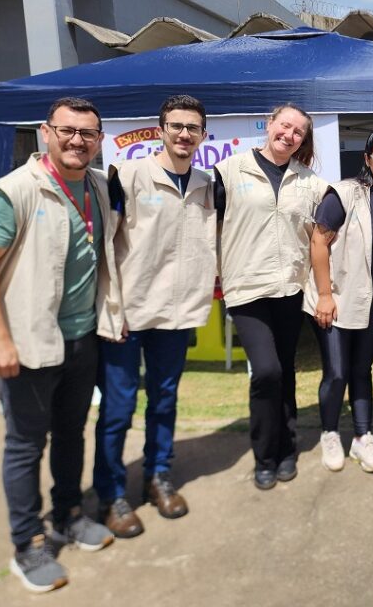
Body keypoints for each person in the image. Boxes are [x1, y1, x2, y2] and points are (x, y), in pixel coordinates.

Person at [0, 97, 122, 593]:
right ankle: (28, 543)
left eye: (88, 134)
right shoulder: (13, 192)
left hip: (81, 338)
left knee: (72, 432)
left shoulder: (98, 185)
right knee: (26, 445)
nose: (77, 141)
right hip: (28, 342)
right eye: (67, 130)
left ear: (99, 140)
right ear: (45, 132)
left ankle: (70, 514)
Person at [93, 95, 216, 538]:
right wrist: (112, 307)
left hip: (177, 314)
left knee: (164, 400)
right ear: (161, 128)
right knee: (118, 408)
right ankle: (110, 495)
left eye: (193, 128)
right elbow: (106, 248)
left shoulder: (205, 182)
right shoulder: (127, 177)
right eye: (177, 126)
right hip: (128, 313)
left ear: (203, 135)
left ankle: (157, 476)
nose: (185, 134)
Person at [214, 104, 328, 490]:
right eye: (285, 126)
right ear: (269, 125)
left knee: (285, 368)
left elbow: (330, 220)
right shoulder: (230, 171)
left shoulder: (308, 181)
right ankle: (265, 455)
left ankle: (287, 449)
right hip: (246, 288)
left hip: (289, 288)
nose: (290, 135)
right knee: (266, 371)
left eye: (298, 132)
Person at [304, 128, 373, 473]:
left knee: (361, 370)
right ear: (367, 159)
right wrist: (323, 295)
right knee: (336, 372)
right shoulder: (345, 194)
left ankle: (363, 437)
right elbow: (318, 243)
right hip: (335, 299)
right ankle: (330, 433)